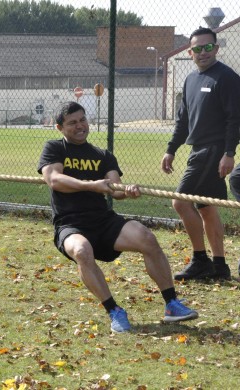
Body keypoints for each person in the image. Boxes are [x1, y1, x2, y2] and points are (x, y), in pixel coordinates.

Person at [38, 101, 198, 333]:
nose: (80, 125)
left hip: (103, 221)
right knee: (82, 251)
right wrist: (92, 185)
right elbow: (54, 180)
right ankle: (114, 311)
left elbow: (116, 189)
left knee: (146, 238)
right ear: (59, 128)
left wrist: (127, 191)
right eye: (72, 123)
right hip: (70, 224)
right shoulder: (55, 148)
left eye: (82, 120)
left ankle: (172, 304)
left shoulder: (102, 155)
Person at [161, 27, 240, 281]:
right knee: (205, 207)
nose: (203, 52)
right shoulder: (190, 80)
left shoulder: (227, 78)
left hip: (213, 151)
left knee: (180, 202)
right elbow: (183, 120)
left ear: (216, 49)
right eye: (197, 48)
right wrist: (171, 150)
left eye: (208, 47)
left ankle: (200, 260)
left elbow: (234, 119)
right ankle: (220, 266)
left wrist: (229, 152)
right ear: (190, 52)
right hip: (197, 150)